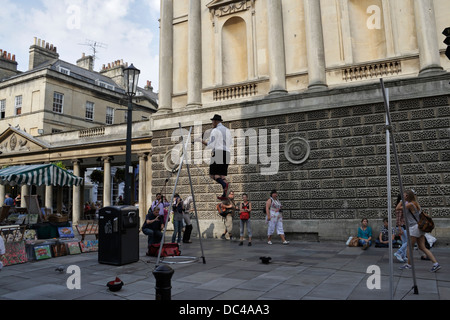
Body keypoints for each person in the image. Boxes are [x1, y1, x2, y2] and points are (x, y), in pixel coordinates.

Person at [397, 190, 441, 272]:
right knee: (422, 247)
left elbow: (397, 208)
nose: (403, 196)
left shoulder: (410, 204)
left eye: (404, 195)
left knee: (409, 247)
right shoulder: (415, 203)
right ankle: (436, 264)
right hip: (418, 227)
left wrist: (401, 200)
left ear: (408, 196)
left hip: (414, 228)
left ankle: (409, 265)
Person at [198, 114, 232, 200]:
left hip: (218, 152)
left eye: (213, 121)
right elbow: (230, 142)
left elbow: (211, 145)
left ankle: (224, 185)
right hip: (227, 153)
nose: (212, 123)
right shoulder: (227, 130)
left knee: (213, 175)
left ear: (216, 121)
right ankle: (225, 194)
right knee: (222, 176)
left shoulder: (215, 130)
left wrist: (201, 141)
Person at [394, 194, 408, 263]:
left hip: (403, 226)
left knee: (404, 242)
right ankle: (398, 253)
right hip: (401, 226)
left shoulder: (401, 206)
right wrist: (399, 228)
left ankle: (403, 256)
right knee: (408, 241)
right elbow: (398, 218)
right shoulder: (399, 207)